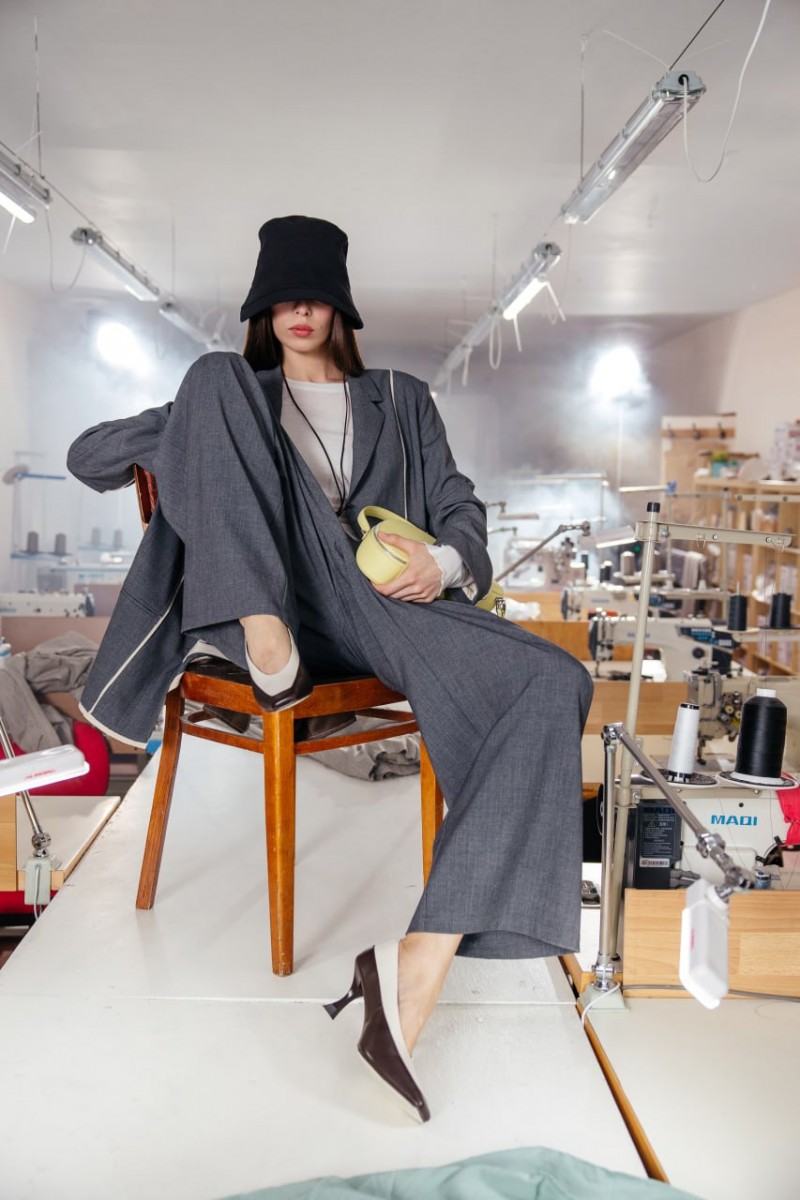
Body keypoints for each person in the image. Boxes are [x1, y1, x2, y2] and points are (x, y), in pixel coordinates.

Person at [67, 215, 593, 1124]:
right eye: (281, 297)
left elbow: (458, 504)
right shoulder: (234, 394)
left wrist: (447, 563)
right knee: (210, 374)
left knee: (556, 678)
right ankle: (260, 626)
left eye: (314, 295)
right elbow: (89, 458)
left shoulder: (401, 398)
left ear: (341, 307)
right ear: (263, 310)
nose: (298, 311)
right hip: (285, 595)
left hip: (386, 600)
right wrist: (195, 423)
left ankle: (417, 959)